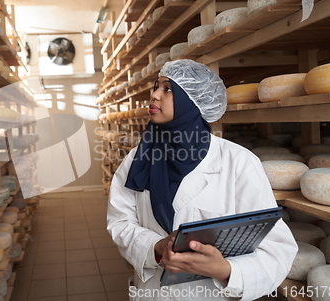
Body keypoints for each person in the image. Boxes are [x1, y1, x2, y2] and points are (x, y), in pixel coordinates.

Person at [107, 59, 297, 301]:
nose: (154, 95)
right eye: (156, 86)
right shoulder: (138, 158)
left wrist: (226, 271)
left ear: (193, 102)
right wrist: (155, 247)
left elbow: (277, 249)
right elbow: (120, 221)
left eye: (168, 89)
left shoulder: (238, 162)